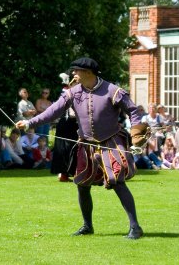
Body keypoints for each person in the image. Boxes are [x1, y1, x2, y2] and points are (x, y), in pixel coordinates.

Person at [16, 57, 148, 239]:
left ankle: (135, 227)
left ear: (88, 72)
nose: (73, 74)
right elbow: (53, 111)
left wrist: (135, 130)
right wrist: (30, 123)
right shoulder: (73, 92)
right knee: (82, 185)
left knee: (117, 180)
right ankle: (87, 226)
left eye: (76, 70)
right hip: (85, 144)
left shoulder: (112, 90)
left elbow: (133, 110)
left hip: (110, 141)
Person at [51, 72, 79, 182]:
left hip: (73, 124)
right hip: (66, 123)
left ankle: (69, 173)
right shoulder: (65, 92)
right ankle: (63, 174)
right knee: (64, 148)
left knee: (73, 148)